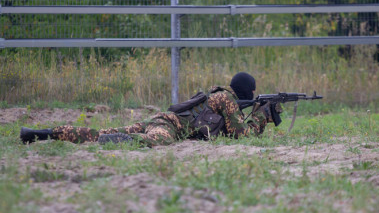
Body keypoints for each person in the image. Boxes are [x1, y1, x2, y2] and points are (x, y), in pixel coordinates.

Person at [20, 72, 279, 147]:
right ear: (245, 90)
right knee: (156, 142)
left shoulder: (218, 94)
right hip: (167, 126)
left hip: (160, 117)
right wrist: (262, 115)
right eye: (252, 93)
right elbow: (241, 135)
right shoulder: (227, 99)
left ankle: (42, 133)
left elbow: (227, 131)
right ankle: (115, 141)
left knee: (98, 132)